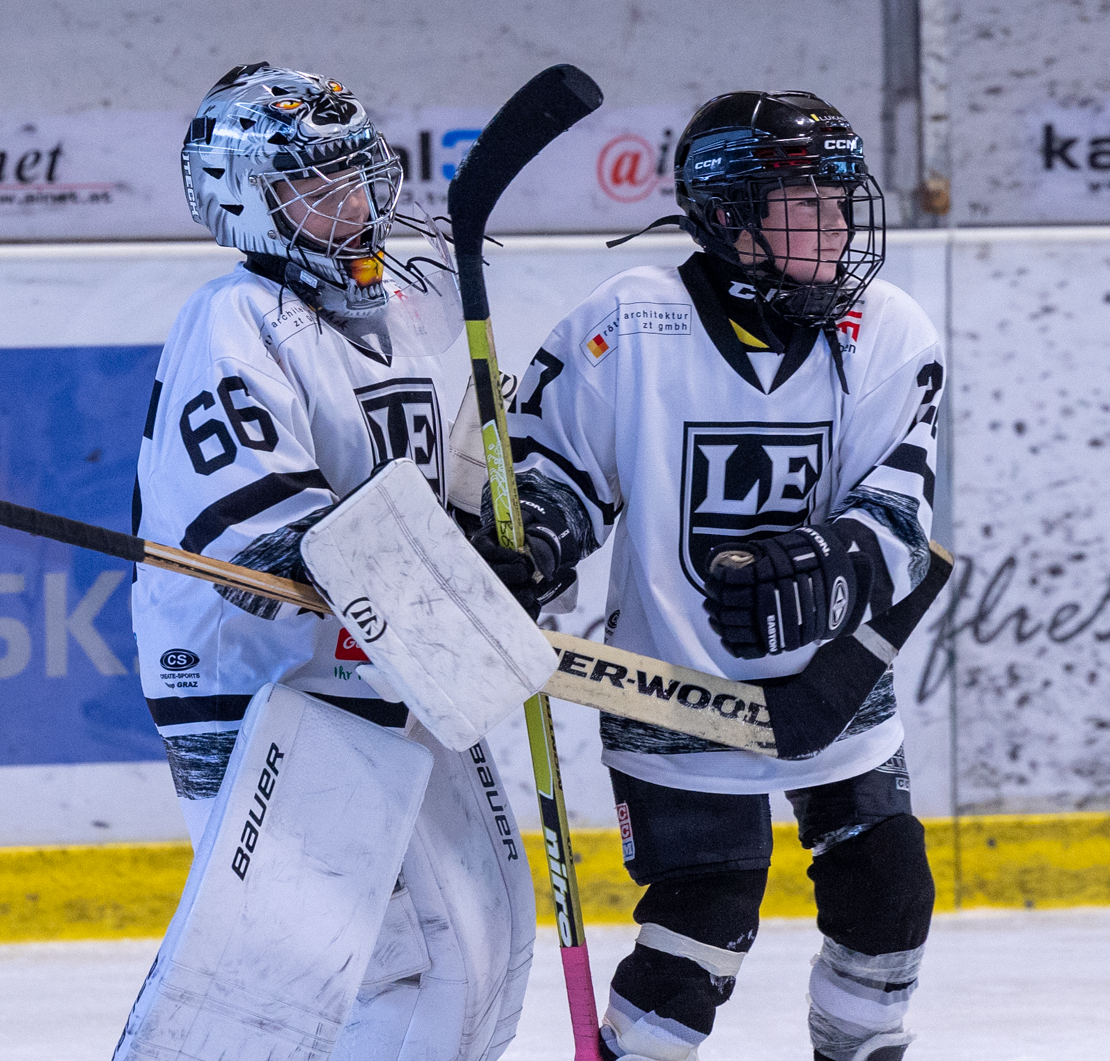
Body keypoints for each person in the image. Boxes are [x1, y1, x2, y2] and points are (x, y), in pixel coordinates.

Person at [479, 90, 944, 1061]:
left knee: (888, 894)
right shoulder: (629, 321)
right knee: (699, 927)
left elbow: (900, 518)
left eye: (840, 200)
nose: (837, 225)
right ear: (729, 216)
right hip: (673, 691)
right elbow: (556, 473)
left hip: (832, 690)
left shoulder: (888, 329)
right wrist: (536, 544)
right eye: (805, 204)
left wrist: (826, 570)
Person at [130, 62, 530, 1061]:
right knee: (357, 972)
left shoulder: (400, 307)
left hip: (373, 669)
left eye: (354, 173)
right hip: (259, 687)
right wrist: (434, 588)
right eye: (313, 183)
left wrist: (494, 545)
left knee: (473, 959)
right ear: (242, 201)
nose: (349, 201)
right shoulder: (234, 316)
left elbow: (443, 481)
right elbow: (267, 523)